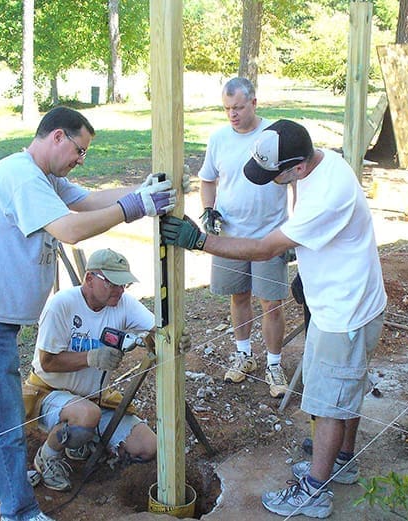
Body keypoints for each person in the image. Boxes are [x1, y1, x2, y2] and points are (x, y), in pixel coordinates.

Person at [0, 106, 178, 521]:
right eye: (79, 150)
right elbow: (70, 229)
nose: (79, 160)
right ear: (57, 137)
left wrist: (140, 190)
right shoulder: (22, 176)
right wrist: (136, 207)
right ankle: (20, 511)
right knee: (4, 417)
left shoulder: (46, 179)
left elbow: (87, 201)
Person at [160, 119, 387, 518]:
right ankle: (342, 461)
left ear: (296, 167)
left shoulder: (327, 192)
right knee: (341, 390)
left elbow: (266, 249)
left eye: (274, 175)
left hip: (344, 313)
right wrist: (307, 270)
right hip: (341, 301)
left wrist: (200, 241)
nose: (271, 181)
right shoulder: (322, 165)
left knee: (329, 401)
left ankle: (315, 493)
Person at [25, 248, 158, 492]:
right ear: (89, 279)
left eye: (124, 284)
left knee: (148, 447)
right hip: (50, 393)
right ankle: (47, 458)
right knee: (86, 415)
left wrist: (169, 337)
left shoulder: (122, 303)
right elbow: (48, 362)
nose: (119, 290)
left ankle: (79, 442)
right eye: (113, 284)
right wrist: (91, 357)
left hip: (95, 399)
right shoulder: (62, 305)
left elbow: (155, 329)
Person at [197, 77, 290, 399]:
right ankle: (243, 354)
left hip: (270, 234)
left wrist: (295, 231)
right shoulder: (219, 139)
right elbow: (207, 180)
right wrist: (209, 210)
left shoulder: (275, 135)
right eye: (226, 109)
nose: (232, 114)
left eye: (237, 107)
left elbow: (296, 182)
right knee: (238, 296)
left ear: (253, 102)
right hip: (230, 236)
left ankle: (275, 364)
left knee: (272, 304)